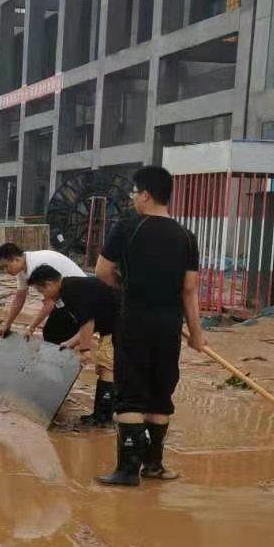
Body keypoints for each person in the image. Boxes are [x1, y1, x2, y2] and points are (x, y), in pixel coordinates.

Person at [94, 164, 206, 486]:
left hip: (134, 320)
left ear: (145, 194)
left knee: (130, 394)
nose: (132, 199)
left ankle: (127, 471)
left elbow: (102, 272)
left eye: (134, 193)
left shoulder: (127, 227)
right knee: (160, 394)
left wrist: (127, 288)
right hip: (169, 325)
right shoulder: (187, 237)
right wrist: (196, 333)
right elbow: (189, 289)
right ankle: (154, 466)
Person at [26, 265, 118, 428]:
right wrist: (70, 343)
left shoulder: (70, 292)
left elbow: (88, 321)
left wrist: (85, 350)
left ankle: (103, 419)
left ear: (49, 284)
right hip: (113, 323)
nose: (43, 296)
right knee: (104, 367)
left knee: (106, 367)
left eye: (41, 291)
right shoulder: (70, 287)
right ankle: (100, 416)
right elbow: (89, 323)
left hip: (120, 323)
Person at [0, 242, 86, 343]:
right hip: (65, 297)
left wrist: (31, 327)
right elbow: (20, 297)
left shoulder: (36, 266)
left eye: (6, 266)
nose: (5, 271)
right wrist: (7, 324)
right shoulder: (23, 268)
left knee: (54, 334)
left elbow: (49, 304)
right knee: (53, 332)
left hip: (80, 296)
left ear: (16, 259)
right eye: (2, 268)